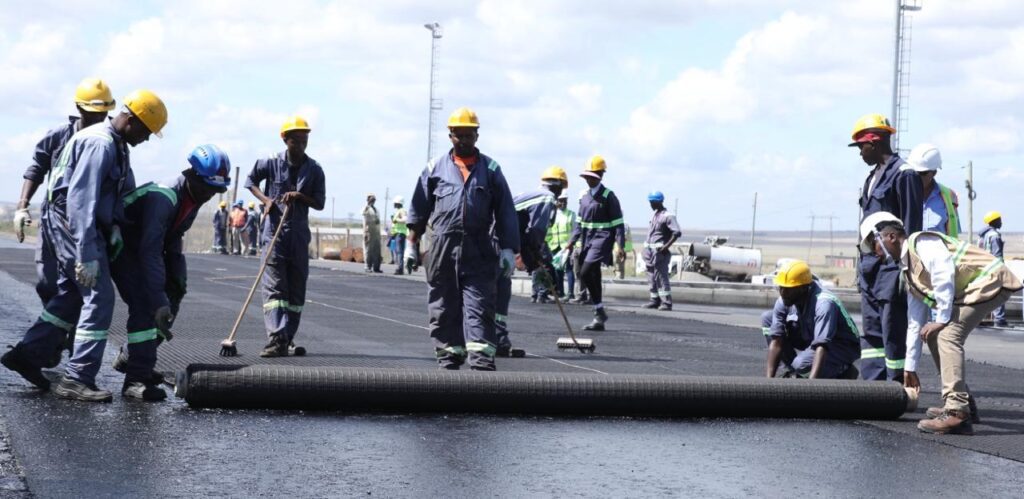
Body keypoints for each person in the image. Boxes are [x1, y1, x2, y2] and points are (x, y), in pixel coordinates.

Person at [1, 89, 167, 402]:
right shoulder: (100, 144)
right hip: (72, 225)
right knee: (99, 296)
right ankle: (77, 378)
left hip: (78, 225)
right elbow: (80, 201)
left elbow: (114, 192)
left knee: (70, 295)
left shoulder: (116, 145)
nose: (146, 139)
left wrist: (115, 225)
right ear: (131, 120)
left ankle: (28, 355)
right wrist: (87, 253)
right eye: (145, 131)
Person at [860, 211, 1022, 434]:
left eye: (873, 245)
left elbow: (943, 273)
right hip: (973, 291)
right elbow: (915, 322)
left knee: (946, 334)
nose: (875, 254)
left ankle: (957, 412)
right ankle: (964, 404)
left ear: (889, 237)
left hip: (990, 281)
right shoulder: (909, 273)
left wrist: (942, 319)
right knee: (936, 333)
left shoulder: (922, 242)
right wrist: (910, 367)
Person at [109, 144, 231, 401]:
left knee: (174, 290)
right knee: (146, 304)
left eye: (216, 190)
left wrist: (176, 276)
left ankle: (133, 359)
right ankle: (135, 380)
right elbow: (149, 250)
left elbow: (173, 236)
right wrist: (158, 298)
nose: (211, 194)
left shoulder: (195, 196)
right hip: (122, 244)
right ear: (192, 175)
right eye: (208, 187)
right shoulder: (164, 196)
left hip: (148, 245)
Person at [407, 107, 518, 371]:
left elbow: (505, 212)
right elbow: (419, 208)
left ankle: (480, 362)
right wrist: (411, 243)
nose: (464, 140)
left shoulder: (490, 170)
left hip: (479, 250)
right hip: (443, 249)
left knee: (479, 305)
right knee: (443, 305)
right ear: (450, 136)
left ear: (477, 136)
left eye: (469, 135)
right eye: (459, 135)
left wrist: (508, 249)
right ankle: (449, 357)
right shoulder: (434, 168)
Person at [14, 78, 116, 308]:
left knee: (83, 284)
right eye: (93, 114)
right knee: (48, 284)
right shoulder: (59, 136)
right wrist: (22, 206)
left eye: (103, 114)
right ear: (79, 108)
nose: (99, 119)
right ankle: (55, 336)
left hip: (89, 223)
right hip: (54, 220)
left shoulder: (110, 141)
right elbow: (37, 168)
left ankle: (70, 339)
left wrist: (116, 224)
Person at [245, 116, 326, 358]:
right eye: (296, 141)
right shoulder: (269, 162)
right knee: (274, 288)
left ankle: (287, 338)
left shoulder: (315, 169)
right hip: (275, 235)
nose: (301, 145)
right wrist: (267, 200)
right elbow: (251, 181)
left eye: (304, 140)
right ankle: (276, 337)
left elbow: (319, 203)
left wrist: (301, 197)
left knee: (295, 290)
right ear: (285, 140)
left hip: (299, 237)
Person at [850, 113, 922, 382]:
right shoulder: (871, 179)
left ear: (875, 141)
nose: (860, 153)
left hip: (891, 269)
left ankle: (894, 387)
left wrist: (907, 269)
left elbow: (912, 228)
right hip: (870, 268)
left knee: (892, 330)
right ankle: (873, 388)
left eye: (861, 146)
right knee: (871, 332)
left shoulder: (904, 175)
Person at [900, 144, 964, 389]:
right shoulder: (904, 192)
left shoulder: (948, 197)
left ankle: (954, 390)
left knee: (943, 331)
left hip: (940, 271)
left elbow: (953, 233)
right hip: (915, 271)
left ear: (933, 173)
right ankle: (910, 375)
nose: (915, 179)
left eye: (920, 175)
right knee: (914, 324)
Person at [495, 166, 565, 356]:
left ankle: (494, 338)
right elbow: (535, 230)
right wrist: (536, 254)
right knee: (500, 290)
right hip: (498, 244)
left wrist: (531, 258)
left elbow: (523, 228)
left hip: (496, 240)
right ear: (559, 186)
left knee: (495, 289)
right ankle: (497, 339)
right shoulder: (546, 197)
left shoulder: (530, 194)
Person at [761, 260, 860, 379]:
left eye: (788, 289)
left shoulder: (823, 303)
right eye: (781, 287)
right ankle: (793, 372)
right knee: (768, 319)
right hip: (812, 335)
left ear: (803, 288)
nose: (782, 293)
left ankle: (844, 372)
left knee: (802, 365)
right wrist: (768, 381)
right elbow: (776, 341)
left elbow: (821, 346)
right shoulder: (785, 299)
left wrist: (811, 388)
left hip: (840, 345)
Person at [566, 155, 626, 331]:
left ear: (600, 175)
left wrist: (620, 245)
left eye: (593, 176)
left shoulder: (609, 196)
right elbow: (579, 223)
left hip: (603, 238)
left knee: (584, 272)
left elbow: (618, 224)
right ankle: (599, 314)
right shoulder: (584, 197)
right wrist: (571, 242)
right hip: (587, 239)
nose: (589, 180)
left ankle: (598, 310)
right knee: (594, 276)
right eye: (587, 177)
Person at [642, 191, 681, 311]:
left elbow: (676, 233)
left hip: (659, 252)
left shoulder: (668, 216)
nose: (651, 205)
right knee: (651, 276)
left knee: (661, 277)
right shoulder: (655, 215)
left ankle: (666, 303)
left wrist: (666, 247)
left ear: (658, 202)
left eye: (652, 202)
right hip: (649, 251)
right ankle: (654, 300)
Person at [978, 211, 1007, 327]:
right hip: (995, 268)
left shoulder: (983, 236)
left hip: (985, 267)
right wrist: (1002, 269)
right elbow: (997, 254)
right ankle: (999, 319)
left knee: (986, 293)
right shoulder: (994, 236)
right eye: (999, 220)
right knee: (999, 293)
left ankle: (979, 317)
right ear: (993, 221)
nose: (1001, 222)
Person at [546, 192, 576, 299]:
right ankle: (560, 292)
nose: (563, 203)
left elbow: (575, 231)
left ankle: (571, 293)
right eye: (561, 200)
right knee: (557, 270)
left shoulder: (571, 214)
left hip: (566, 246)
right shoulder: (552, 214)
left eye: (565, 200)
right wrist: (549, 244)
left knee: (568, 269)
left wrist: (571, 244)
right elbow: (549, 230)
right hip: (554, 246)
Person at [362, 193, 382, 273]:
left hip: (376, 232)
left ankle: (376, 267)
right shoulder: (366, 208)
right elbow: (364, 213)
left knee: (377, 250)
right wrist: (368, 205)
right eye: (371, 199)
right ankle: (367, 266)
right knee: (368, 250)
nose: (373, 200)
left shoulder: (376, 209)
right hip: (368, 232)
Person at [391, 196, 408, 274]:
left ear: (398, 203)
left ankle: (400, 268)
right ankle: (400, 268)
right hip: (398, 233)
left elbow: (405, 220)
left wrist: (396, 220)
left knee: (399, 251)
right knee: (399, 251)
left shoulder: (402, 211)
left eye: (395, 203)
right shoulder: (399, 211)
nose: (394, 204)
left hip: (400, 233)